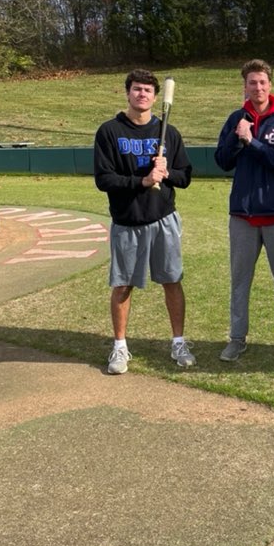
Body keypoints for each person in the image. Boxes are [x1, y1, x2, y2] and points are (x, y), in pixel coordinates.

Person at [94, 69, 195, 375]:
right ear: (128, 93)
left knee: (172, 280)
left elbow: (185, 176)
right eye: (137, 89)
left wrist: (166, 174)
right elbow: (104, 179)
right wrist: (143, 180)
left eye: (148, 91)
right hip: (127, 221)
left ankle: (178, 341)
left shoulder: (169, 132)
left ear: (155, 96)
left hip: (163, 219)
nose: (142, 95)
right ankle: (120, 347)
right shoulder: (110, 131)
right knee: (123, 285)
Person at [214, 59, 274, 361]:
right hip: (242, 215)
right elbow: (222, 161)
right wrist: (238, 138)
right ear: (245, 86)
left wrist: (253, 142)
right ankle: (237, 338)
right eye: (252, 82)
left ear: (270, 85)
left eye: (263, 82)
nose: (258, 87)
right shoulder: (236, 118)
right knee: (239, 281)